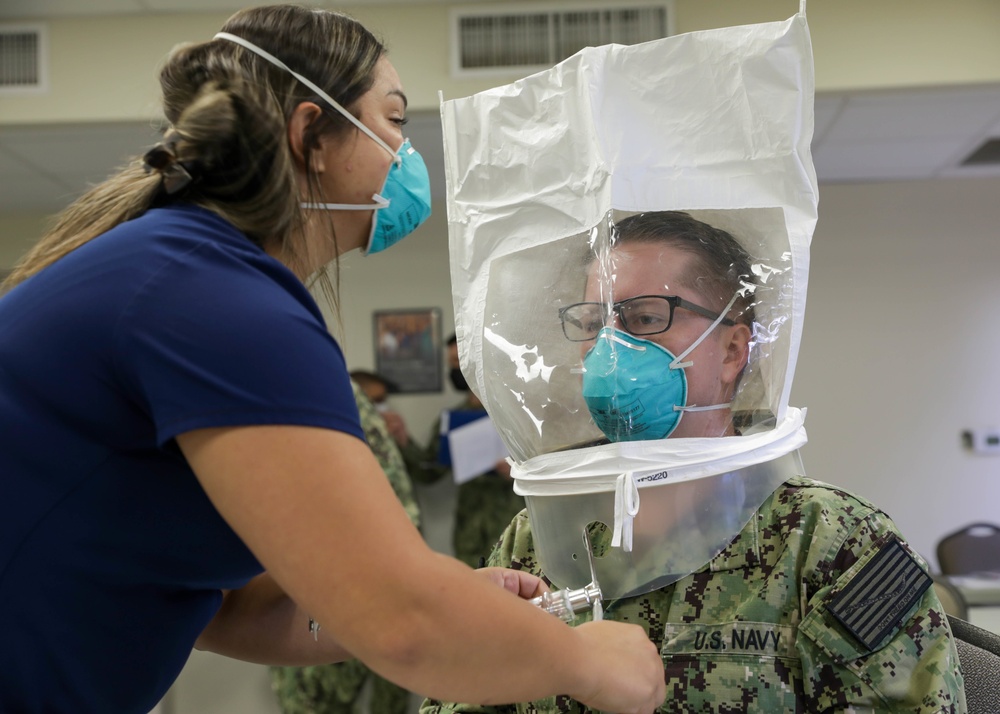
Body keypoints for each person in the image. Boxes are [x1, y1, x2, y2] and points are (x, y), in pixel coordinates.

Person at [0, 6, 667, 714]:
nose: (406, 155)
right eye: (394, 121)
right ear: (309, 135)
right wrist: (590, 662)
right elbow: (405, 629)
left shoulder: (178, 269)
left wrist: (442, 599)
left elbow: (230, 605)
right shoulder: (216, 298)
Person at [421, 211, 966, 713]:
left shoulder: (829, 541)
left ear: (732, 351)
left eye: (644, 319)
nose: (608, 348)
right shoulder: (542, 537)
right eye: (593, 323)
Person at [270, 376, 420, 714]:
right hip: (368, 576)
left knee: (313, 699)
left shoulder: (317, 390)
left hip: (342, 582)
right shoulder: (332, 390)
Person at [398, 334, 525, 567]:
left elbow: (549, 464)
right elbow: (430, 471)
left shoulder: (517, 411)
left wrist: (518, 472)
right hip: (471, 534)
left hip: (513, 526)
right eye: (451, 363)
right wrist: (403, 440)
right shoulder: (454, 419)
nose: (454, 369)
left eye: (458, 361)